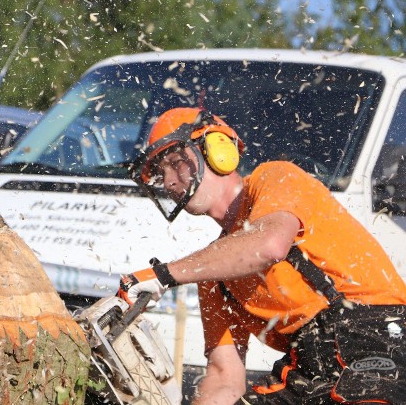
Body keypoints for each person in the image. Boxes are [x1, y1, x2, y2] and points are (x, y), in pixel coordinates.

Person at [118, 107, 406, 404]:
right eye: (161, 173)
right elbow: (223, 378)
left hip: (373, 335)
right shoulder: (215, 272)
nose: (168, 182)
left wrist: (164, 274)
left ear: (218, 149)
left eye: (176, 163)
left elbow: (269, 244)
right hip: (306, 365)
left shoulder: (276, 177)